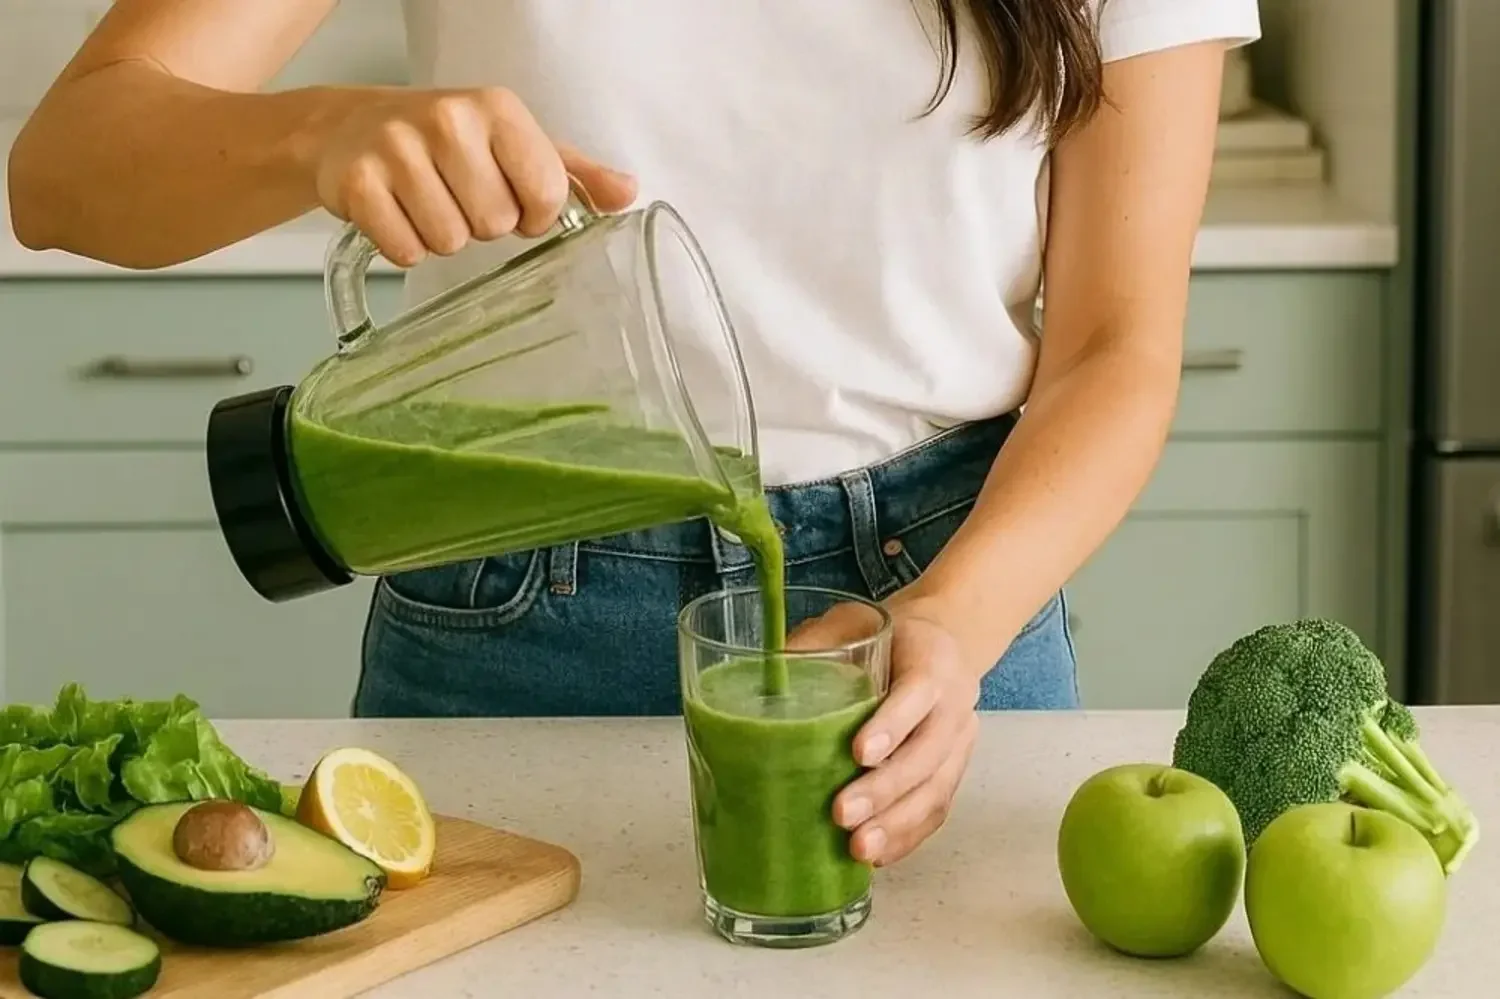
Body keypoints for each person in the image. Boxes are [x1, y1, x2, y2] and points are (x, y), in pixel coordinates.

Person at [7, 0, 1261, 869]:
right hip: (512, 593)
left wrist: (951, 622)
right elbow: (63, 172)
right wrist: (318, 132)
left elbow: (1116, 345)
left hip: (946, 613)